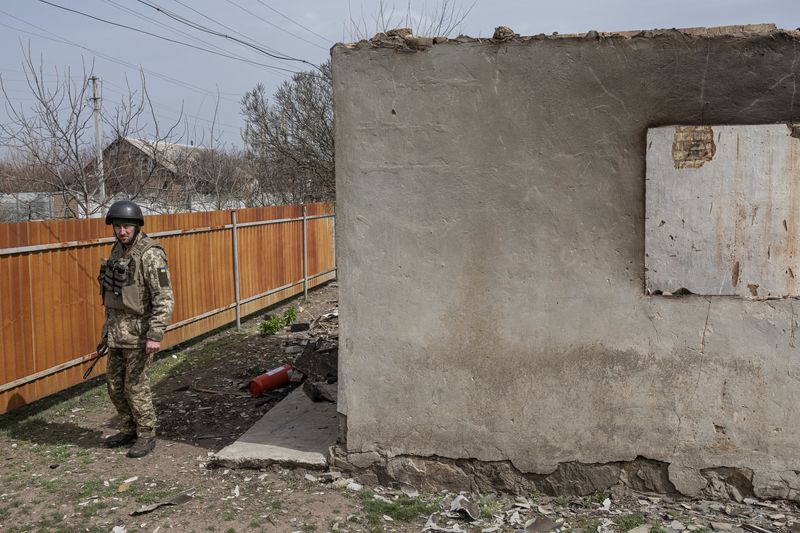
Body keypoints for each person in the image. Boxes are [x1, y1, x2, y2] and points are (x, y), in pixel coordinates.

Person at [97, 200, 174, 458]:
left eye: (126, 226)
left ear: (136, 226)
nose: (121, 231)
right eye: (117, 226)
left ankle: (146, 434)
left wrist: (155, 334)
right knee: (114, 387)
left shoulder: (152, 254)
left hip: (140, 336)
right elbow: (114, 297)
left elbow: (164, 297)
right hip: (117, 334)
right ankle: (128, 429)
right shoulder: (116, 250)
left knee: (136, 387)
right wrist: (107, 331)